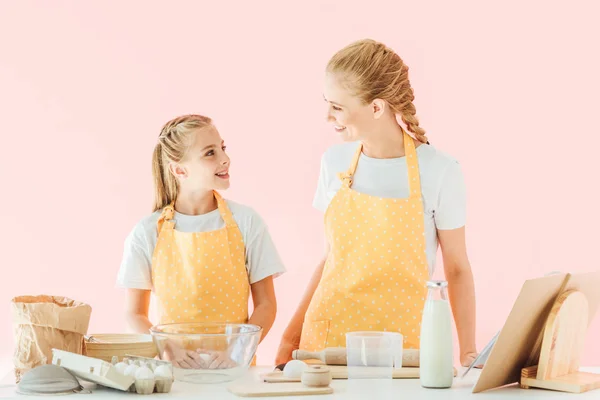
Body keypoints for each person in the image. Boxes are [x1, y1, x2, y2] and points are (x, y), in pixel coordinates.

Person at [276, 39, 479, 367]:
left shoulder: (441, 171)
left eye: (338, 107)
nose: (328, 116)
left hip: (405, 346)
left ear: (376, 107)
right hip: (329, 343)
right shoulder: (334, 162)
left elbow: (456, 268)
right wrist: (290, 335)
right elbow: (331, 260)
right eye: (327, 103)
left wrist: (468, 350)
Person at [117, 114, 286, 368]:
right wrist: (166, 347)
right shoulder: (147, 232)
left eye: (222, 148)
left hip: (234, 373)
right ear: (179, 170)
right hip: (174, 375)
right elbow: (135, 313)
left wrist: (236, 352)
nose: (224, 158)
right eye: (210, 153)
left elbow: (266, 304)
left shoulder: (246, 222)